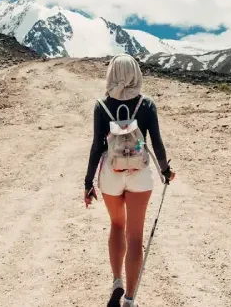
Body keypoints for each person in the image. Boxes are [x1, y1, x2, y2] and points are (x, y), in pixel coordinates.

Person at [84, 54, 175, 307]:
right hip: (140, 174)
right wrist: (166, 171)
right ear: (137, 74)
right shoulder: (146, 105)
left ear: (111, 74)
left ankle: (117, 281)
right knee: (135, 236)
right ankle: (130, 299)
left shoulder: (101, 106)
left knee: (117, 225)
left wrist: (87, 183)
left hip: (111, 175)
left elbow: (95, 147)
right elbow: (156, 143)